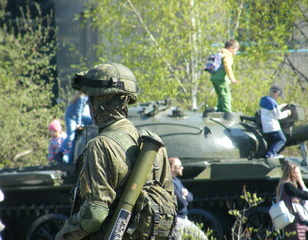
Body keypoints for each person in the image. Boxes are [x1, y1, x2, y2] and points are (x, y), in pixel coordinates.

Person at [55, 62, 175, 240]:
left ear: (100, 102)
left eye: (91, 99)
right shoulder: (154, 145)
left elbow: (95, 214)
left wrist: (63, 235)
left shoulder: (100, 145)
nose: (88, 103)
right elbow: (171, 202)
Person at [277, 161, 308, 240]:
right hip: (294, 222)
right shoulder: (288, 185)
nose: (300, 175)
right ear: (293, 173)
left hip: (297, 222)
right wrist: (301, 181)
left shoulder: (284, 185)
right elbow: (306, 196)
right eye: (298, 172)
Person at [169, 157, 208, 240]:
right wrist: (184, 197)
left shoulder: (177, 181)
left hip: (184, 219)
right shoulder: (170, 182)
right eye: (180, 166)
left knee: (202, 237)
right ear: (172, 168)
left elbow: (190, 197)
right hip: (177, 221)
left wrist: (184, 196)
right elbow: (181, 203)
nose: (182, 168)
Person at [55, 91, 92, 164]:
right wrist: (78, 124)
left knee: (90, 121)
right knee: (71, 136)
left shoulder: (86, 97)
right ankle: (60, 153)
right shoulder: (82, 97)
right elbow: (78, 112)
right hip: (71, 117)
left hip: (76, 117)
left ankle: (70, 156)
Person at [259, 85, 292, 159]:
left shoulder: (265, 100)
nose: (278, 97)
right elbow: (278, 116)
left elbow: (271, 111)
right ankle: (270, 154)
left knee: (274, 140)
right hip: (273, 126)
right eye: (279, 96)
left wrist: (281, 106)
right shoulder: (273, 103)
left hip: (267, 125)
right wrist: (287, 112)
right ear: (276, 93)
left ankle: (271, 153)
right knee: (282, 139)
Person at [210, 39, 239, 113]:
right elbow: (227, 65)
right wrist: (232, 78)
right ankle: (227, 111)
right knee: (226, 95)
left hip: (214, 77)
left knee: (220, 95)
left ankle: (219, 109)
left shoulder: (220, 53)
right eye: (235, 50)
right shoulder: (227, 55)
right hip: (222, 78)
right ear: (231, 48)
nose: (235, 53)